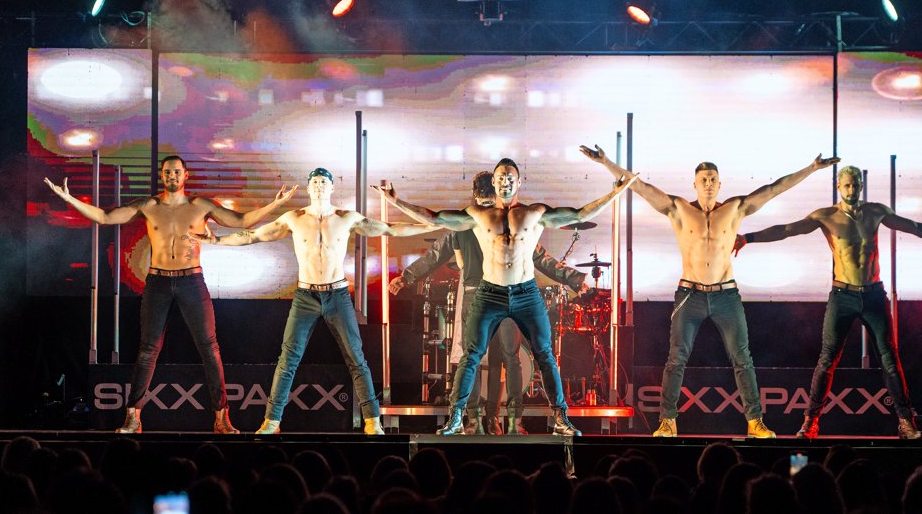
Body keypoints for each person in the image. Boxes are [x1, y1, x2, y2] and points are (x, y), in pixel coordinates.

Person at [580, 144, 839, 438]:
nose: (708, 183)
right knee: (676, 358)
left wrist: (812, 168)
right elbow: (639, 186)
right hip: (690, 294)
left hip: (725, 294)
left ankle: (755, 421)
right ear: (694, 183)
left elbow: (775, 189)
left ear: (720, 183)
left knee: (742, 359)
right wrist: (606, 162)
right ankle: (667, 421)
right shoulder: (678, 208)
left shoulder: (735, 208)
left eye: (713, 179)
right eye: (703, 179)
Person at [375, 157, 637, 435]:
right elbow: (434, 217)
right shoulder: (477, 217)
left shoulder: (534, 213)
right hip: (489, 293)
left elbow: (579, 215)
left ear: (519, 181)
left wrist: (615, 192)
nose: (505, 182)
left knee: (541, 355)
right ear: (494, 182)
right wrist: (396, 201)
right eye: (500, 177)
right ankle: (458, 418)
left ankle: (556, 418)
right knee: (471, 355)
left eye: (510, 177)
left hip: (525, 294)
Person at [44, 155, 297, 433]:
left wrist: (275, 204)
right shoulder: (149, 206)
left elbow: (241, 220)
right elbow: (105, 217)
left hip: (191, 280)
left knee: (209, 348)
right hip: (158, 282)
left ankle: (221, 418)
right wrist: (69, 199)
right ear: (161, 175)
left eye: (176, 172)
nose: (172, 176)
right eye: (167, 172)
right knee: (148, 350)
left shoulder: (200, 205)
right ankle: (133, 418)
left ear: (185, 175)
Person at [734, 164, 922, 439]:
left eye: (855, 185)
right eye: (847, 185)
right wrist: (748, 238)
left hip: (873, 295)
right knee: (827, 361)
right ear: (839, 187)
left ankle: (906, 423)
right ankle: (810, 423)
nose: (851, 189)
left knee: (890, 360)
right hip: (843, 296)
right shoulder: (826, 216)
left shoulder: (876, 211)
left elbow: (915, 228)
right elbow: (787, 230)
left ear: (861, 186)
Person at [193, 166, 435, 435]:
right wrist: (216, 240)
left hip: (337, 294)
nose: (319, 185)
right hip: (305, 296)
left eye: (324, 181)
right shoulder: (294, 218)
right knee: (288, 359)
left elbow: (390, 229)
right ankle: (272, 421)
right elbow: (254, 235)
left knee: (356, 358)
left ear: (332, 187)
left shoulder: (346, 218)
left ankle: (372, 420)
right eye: (315, 181)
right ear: (308, 188)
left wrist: (430, 224)